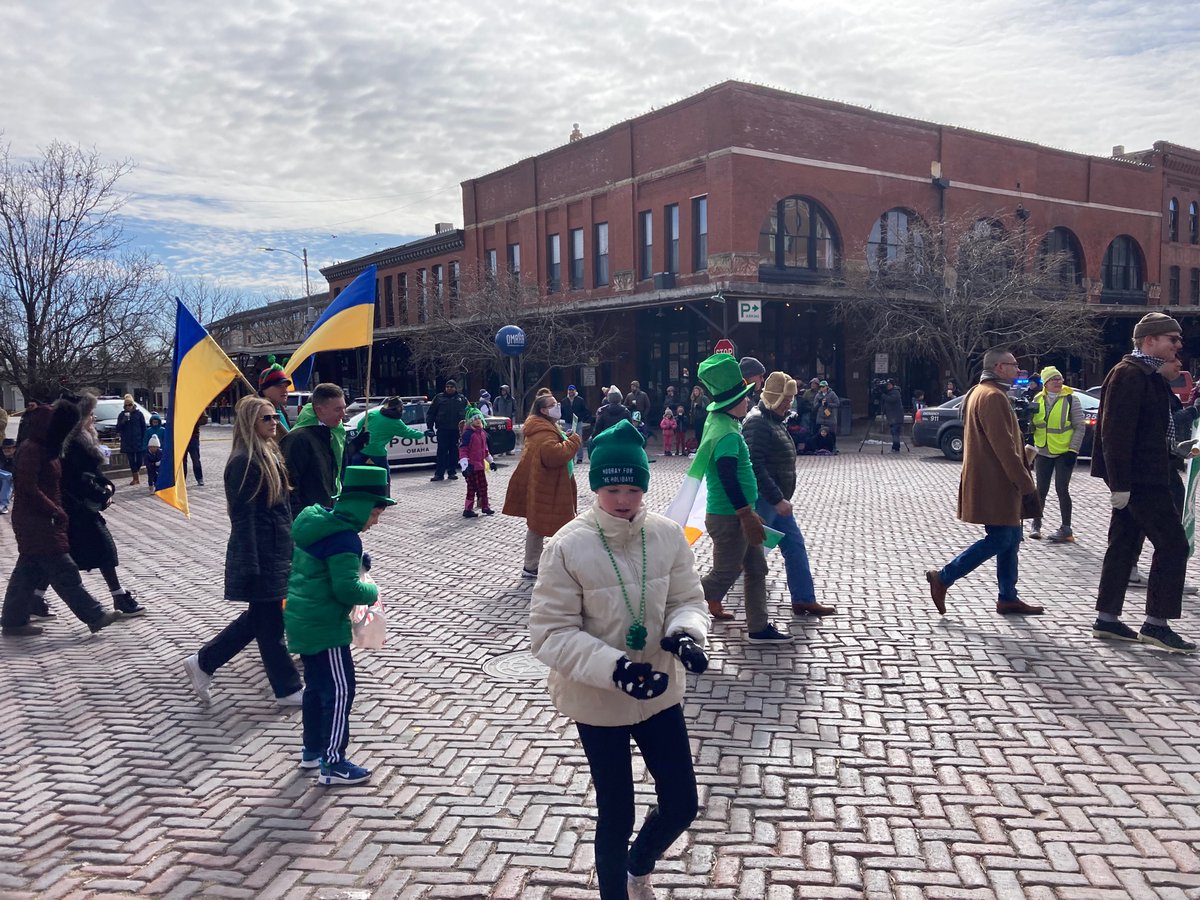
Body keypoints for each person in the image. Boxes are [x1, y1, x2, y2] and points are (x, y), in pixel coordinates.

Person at [529, 420, 710, 900]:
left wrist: (685, 634)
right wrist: (616, 670)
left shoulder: (669, 534)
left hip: (658, 690)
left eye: (632, 487)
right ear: (596, 488)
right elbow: (550, 633)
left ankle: (640, 862)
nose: (624, 498)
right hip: (599, 699)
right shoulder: (568, 545)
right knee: (617, 811)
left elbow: (687, 598)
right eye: (612, 488)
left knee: (682, 803)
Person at [183, 396, 304, 706]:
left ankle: (203, 662)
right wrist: (251, 564)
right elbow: (243, 517)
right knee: (269, 625)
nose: (274, 422)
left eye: (275, 416)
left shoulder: (269, 453)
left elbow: (282, 510)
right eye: (267, 418)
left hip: (277, 550)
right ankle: (288, 689)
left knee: (259, 621)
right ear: (250, 422)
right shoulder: (243, 461)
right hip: (262, 555)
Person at [1091, 313, 1195, 652]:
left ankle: (1107, 619)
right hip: (1141, 479)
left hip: (1149, 475)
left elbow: (1158, 427)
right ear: (1149, 341)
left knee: (1123, 544)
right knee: (1173, 544)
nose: (1178, 346)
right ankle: (1156, 624)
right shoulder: (1129, 374)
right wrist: (1119, 484)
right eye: (1172, 339)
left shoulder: (1147, 374)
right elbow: (1114, 434)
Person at [284, 465, 393, 785]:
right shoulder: (345, 539)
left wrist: (358, 563)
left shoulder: (319, 524)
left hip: (304, 619)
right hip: (325, 625)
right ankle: (333, 762)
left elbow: (325, 564)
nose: (375, 522)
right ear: (362, 507)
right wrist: (372, 590)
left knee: (317, 688)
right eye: (375, 514)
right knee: (341, 689)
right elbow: (346, 589)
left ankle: (312, 750)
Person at [925, 349, 1042, 617]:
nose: (1018, 370)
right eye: (1014, 365)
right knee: (1002, 538)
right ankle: (944, 577)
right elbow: (1004, 448)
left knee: (1011, 538)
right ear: (1000, 367)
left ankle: (1008, 597)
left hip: (993, 481)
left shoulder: (982, 392)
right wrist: (1025, 484)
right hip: (996, 483)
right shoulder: (992, 396)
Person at [0, 398, 121, 637]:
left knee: (27, 570)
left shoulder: (41, 447)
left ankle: (13, 619)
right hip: (38, 519)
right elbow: (27, 487)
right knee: (64, 570)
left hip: (39, 518)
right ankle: (94, 615)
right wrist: (53, 510)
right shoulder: (33, 450)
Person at [695, 353, 791, 642]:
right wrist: (744, 513)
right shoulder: (726, 432)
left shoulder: (722, 423)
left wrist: (747, 510)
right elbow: (727, 475)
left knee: (756, 568)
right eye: (745, 397)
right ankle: (671, 607)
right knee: (725, 573)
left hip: (738, 513)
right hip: (731, 516)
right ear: (732, 403)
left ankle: (759, 627)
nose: (749, 401)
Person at [743, 372, 834, 617]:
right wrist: (776, 498)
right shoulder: (758, 422)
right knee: (751, 557)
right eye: (786, 399)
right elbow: (755, 465)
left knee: (794, 546)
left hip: (776, 499)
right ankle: (713, 594)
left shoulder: (773, 420)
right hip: (766, 500)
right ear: (775, 398)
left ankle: (804, 598)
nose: (790, 404)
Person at [58, 393, 146, 616]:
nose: (94, 419)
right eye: (90, 415)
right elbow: (78, 478)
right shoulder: (73, 445)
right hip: (77, 509)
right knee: (101, 551)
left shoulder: (82, 440)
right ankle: (119, 598)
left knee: (54, 559)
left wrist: (104, 486)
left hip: (78, 507)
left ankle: (33, 600)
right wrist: (100, 492)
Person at [502, 393, 582, 579]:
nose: (558, 406)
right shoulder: (543, 431)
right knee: (549, 526)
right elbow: (553, 455)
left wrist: (565, 438)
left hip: (550, 483)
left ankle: (536, 565)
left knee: (541, 525)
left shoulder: (545, 426)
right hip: (548, 486)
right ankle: (536, 566)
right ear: (544, 410)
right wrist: (574, 441)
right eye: (553, 404)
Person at [1027, 366, 1085, 543]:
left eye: (1059, 379)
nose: (1058, 382)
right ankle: (1036, 525)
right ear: (1045, 383)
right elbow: (1034, 425)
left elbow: (1080, 426)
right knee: (1040, 490)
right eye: (1054, 379)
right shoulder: (1038, 399)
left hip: (1064, 451)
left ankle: (1066, 528)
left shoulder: (1070, 399)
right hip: (1043, 450)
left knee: (1062, 489)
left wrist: (1073, 450)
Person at [280, 383, 353, 518]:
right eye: (337, 409)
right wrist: (300, 519)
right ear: (319, 410)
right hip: (308, 519)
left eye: (344, 408)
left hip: (326, 513)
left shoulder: (334, 433)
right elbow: (288, 485)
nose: (343, 414)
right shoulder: (298, 440)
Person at [352, 396, 427, 495]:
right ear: (399, 408)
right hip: (377, 452)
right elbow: (410, 433)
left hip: (361, 448)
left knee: (353, 473)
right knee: (384, 475)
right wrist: (424, 434)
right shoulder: (395, 423)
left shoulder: (372, 413)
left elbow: (359, 426)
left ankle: (352, 494)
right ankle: (386, 496)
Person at [426, 379, 469, 482]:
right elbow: (431, 413)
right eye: (447, 387)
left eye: (451, 387)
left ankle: (452, 472)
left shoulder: (462, 399)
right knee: (441, 452)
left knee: (454, 452)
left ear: (455, 388)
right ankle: (439, 474)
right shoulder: (438, 398)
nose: (449, 388)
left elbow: (469, 413)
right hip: (443, 430)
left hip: (456, 431)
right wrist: (430, 427)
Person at [458, 407, 496, 518]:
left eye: (479, 418)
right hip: (471, 466)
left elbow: (485, 450)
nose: (478, 420)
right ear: (470, 420)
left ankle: (485, 506)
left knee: (484, 486)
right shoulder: (468, 434)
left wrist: (491, 461)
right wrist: (465, 466)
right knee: (472, 487)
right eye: (475, 418)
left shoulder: (482, 433)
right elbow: (463, 450)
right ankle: (467, 509)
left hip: (480, 466)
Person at [116, 394, 146, 486]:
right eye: (126, 405)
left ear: (133, 405)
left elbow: (143, 427)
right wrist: (123, 421)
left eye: (130, 405)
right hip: (127, 441)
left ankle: (136, 474)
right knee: (132, 460)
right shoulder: (121, 415)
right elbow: (118, 428)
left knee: (140, 461)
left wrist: (144, 439)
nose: (128, 407)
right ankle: (135, 478)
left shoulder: (139, 414)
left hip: (138, 440)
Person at [258, 356, 293, 432]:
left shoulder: (280, 410)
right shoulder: (258, 412)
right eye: (279, 386)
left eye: (286, 386)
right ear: (264, 389)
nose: (285, 390)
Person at [564, 385, 591, 464]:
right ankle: (570, 457)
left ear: (575, 391)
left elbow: (585, 410)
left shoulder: (580, 400)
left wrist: (580, 417)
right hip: (568, 422)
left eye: (572, 390)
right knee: (569, 440)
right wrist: (565, 417)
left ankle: (580, 458)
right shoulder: (564, 401)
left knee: (579, 439)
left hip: (578, 422)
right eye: (569, 390)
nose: (571, 392)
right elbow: (562, 411)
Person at [879, 378, 905, 452]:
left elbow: (891, 400)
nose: (888, 386)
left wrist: (883, 395)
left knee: (895, 432)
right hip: (892, 417)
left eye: (889, 385)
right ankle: (895, 447)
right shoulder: (890, 392)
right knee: (894, 432)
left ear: (893, 385)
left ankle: (896, 448)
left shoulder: (896, 392)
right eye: (887, 385)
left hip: (896, 417)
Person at [181, 413, 207, 486]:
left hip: (193, 437)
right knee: (182, 461)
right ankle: (182, 480)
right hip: (182, 437)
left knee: (196, 460)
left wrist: (194, 421)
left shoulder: (194, 406)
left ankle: (199, 478)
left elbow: (204, 419)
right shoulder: (179, 405)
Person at [0, 437, 14, 514]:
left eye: (9, 448)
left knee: (8, 479)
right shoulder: (1, 456)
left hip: (12, 484)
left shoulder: (18, 458)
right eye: (4, 448)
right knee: (7, 477)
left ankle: (3, 505)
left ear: (14, 449)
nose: (6, 450)